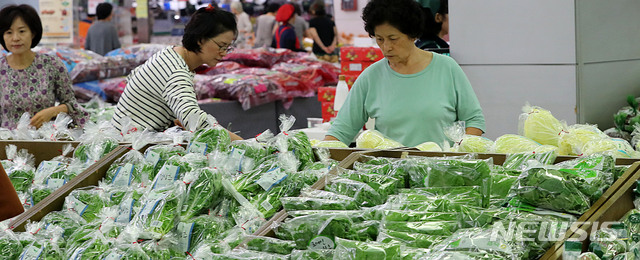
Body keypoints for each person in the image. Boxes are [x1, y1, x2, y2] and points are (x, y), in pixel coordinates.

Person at [324, 0, 485, 147]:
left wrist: (459, 154)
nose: (386, 47)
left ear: (413, 35)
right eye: (380, 39)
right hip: (392, 174)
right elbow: (341, 131)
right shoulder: (371, 77)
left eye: (393, 39)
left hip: (441, 172)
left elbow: (474, 120)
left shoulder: (447, 68)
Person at [111, 5, 242, 140]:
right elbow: (197, 123)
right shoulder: (176, 72)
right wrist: (242, 143)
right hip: (124, 149)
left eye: (228, 47)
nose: (224, 53)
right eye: (221, 46)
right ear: (201, 39)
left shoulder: (170, 54)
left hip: (125, 139)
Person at [0, 4, 89, 129]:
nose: (15, 38)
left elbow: (72, 105)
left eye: (22, 31)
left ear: (33, 33)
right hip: (7, 143)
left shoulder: (52, 65)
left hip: (44, 141)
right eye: (9, 32)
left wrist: (53, 111)